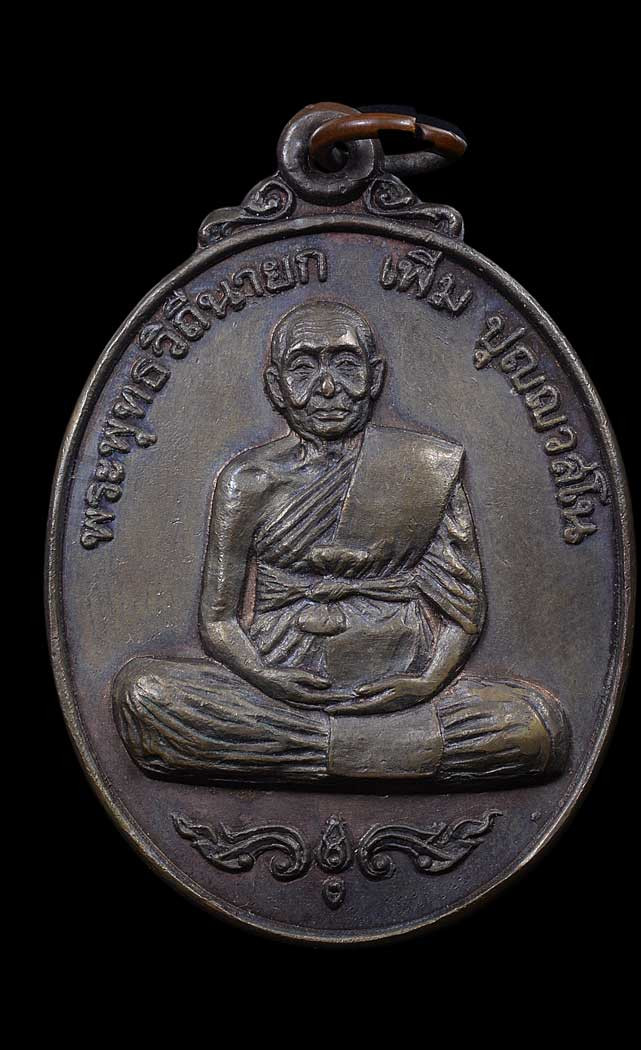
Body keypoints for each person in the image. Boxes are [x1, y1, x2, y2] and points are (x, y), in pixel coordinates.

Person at [113, 301, 568, 784]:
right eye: (304, 368)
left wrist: (425, 682)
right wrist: (267, 678)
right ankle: (385, 752)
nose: (327, 387)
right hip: (278, 687)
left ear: (375, 378)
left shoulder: (424, 468)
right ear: (276, 387)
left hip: (400, 683)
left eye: (346, 365)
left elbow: (463, 613)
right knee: (144, 695)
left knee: (536, 727)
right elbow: (219, 620)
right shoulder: (248, 481)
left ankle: (308, 751)